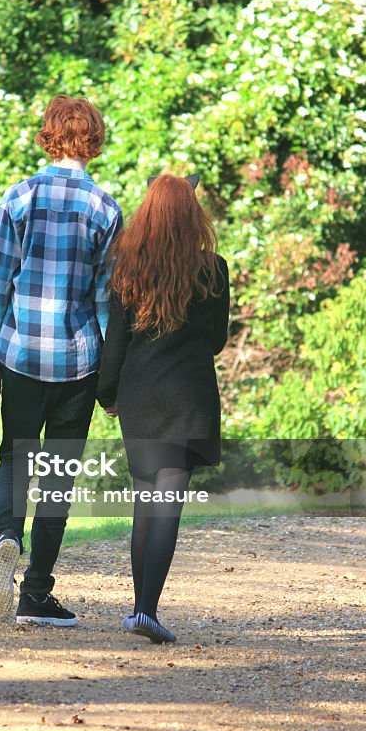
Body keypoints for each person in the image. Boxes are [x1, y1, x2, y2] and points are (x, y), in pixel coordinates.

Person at [0, 95, 123, 626]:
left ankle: (7, 538)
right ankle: (36, 592)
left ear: (49, 136)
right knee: (58, 474)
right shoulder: (106, 209)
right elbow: (108, 301)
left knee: (15, 459)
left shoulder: (20, 197)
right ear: (94, 140)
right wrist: (113, 377)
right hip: (78, 360)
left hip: (20, 353)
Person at [96, 174, 230, 644]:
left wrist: (106, 395)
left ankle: (140, 608)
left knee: (145, 502)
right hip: (188, 400)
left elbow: (114, 344)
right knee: (167, 504)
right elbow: (216, 342)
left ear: (148, 214)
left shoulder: (126, 268)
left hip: (139, 399)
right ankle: (145, 611)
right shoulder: (212, 269)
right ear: (193, 217)